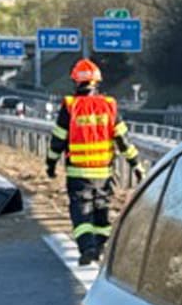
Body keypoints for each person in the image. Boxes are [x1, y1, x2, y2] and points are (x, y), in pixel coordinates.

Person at [46, 59, 143, 266]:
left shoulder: (70, 106)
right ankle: (99, 247)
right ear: (96, 82)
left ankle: (88, 248)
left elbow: (58, 139)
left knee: (81, 213)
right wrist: (136, 164)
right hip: (104, 174)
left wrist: (51, 164)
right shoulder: (109, 105)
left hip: (79, 173)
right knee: (101, 211)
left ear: (76, 82)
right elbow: (123, 140)